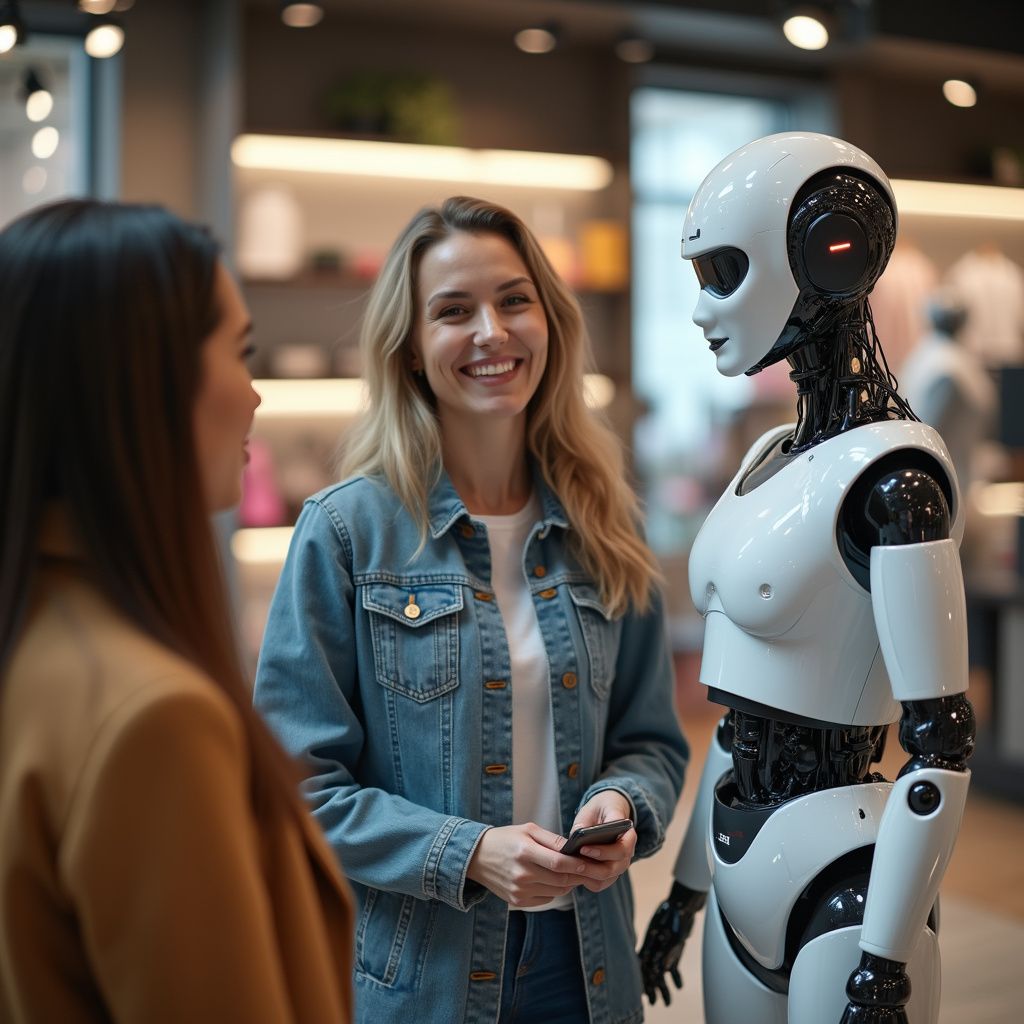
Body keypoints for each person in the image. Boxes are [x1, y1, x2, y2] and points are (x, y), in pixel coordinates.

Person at [253, 195, 688, 1024]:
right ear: (412, 349)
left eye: (513, 300)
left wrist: (623, 807)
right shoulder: (346, 532)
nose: (491, 331)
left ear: (548, 322)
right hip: (422, 979)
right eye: (454, 311)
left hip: (587, 970)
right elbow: (295, 787)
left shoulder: (606, 522)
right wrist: (470, 853)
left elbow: (651, 744)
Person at [639, 133, 975, 1023]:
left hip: (849, 888)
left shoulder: (897, 484)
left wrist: (886, 963)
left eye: (724, 273)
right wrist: (684, 890)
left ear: (829, 253)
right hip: (737, 853)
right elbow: (742, 709)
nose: (705, 308)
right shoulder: (769, 456)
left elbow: (940, 743)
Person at [0, 200, 354, 1023]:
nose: (257, 394)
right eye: (239, 353)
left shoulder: (38, 643)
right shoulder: (155, 719)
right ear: (141, 380)